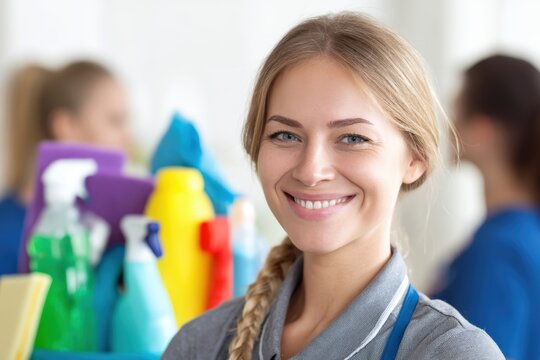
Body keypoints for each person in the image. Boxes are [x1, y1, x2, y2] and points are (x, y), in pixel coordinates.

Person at [163, 12, 503, 359]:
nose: (311, 171)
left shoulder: (452, 353)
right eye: (285, 135)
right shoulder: (200, 345)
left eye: (352, 138)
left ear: (414, 159)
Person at [433, 55, 540, 360]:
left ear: (481, 129)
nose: (447, 126)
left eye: (455, 112)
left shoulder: (498, 249)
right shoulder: (525, 235)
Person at [0, 60, 131, 275]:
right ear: (66, 126)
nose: (127, 138)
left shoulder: (106, 228)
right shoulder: (6, 235)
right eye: (115, 121)